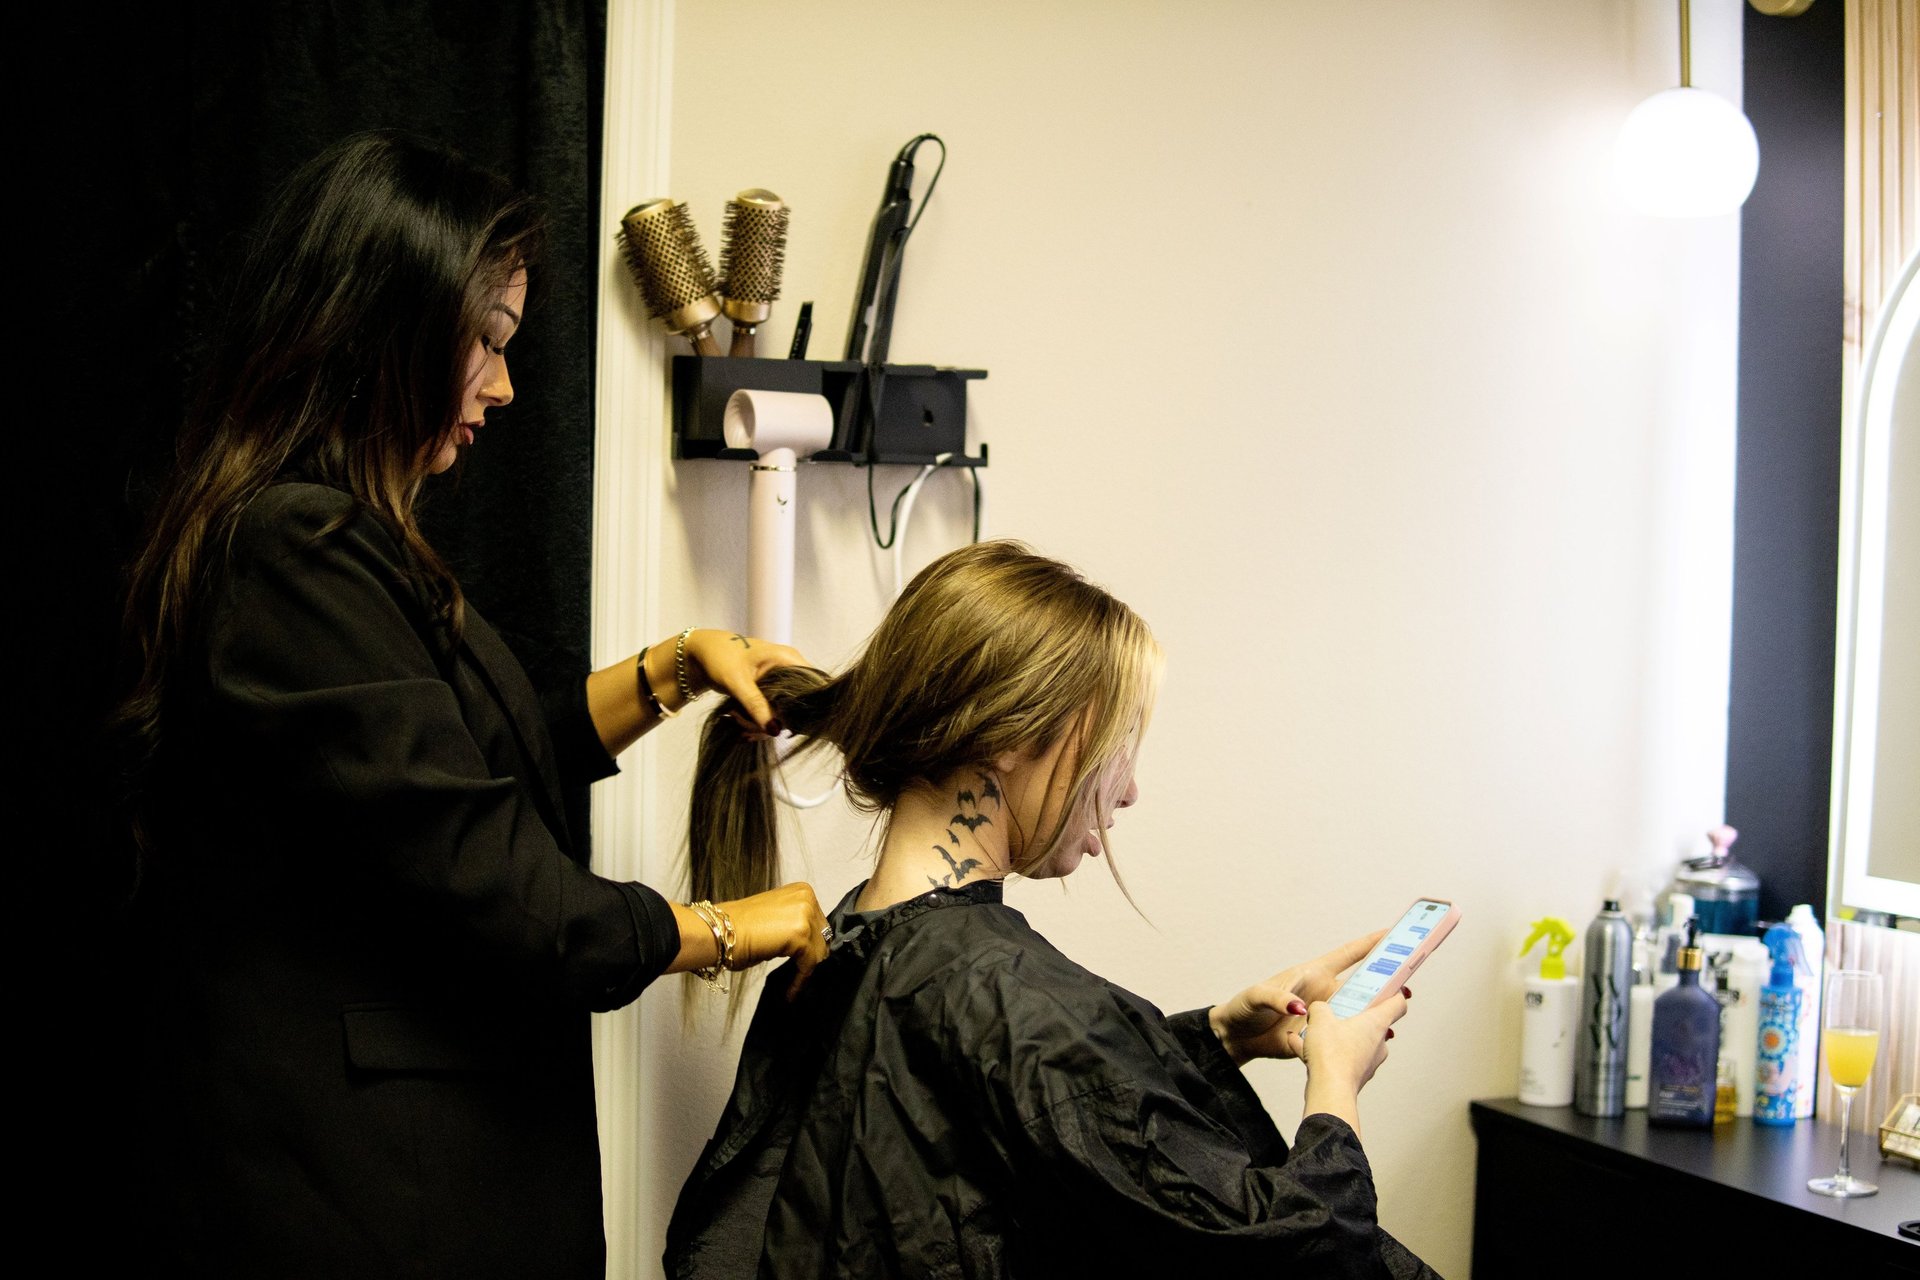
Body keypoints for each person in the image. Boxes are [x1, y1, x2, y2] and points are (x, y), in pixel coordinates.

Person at [114, 132, 832, 1277]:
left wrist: (677, 667)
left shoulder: (342, 543)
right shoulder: (297, 548)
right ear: (384, 321)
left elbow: (470, 763)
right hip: (361, 1197)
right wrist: (736, 925)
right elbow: (502, 881)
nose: (502, 385)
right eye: (487, 341)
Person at [665, 540, 1439, 1279]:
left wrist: (1212, 1040)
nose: (1128, 788)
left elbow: (1005, 1120)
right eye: (1115, 741)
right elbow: (1294, 1256)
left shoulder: (838, 949)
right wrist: (1335, 1084)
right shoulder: (1006, 994)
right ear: (1010, 737)